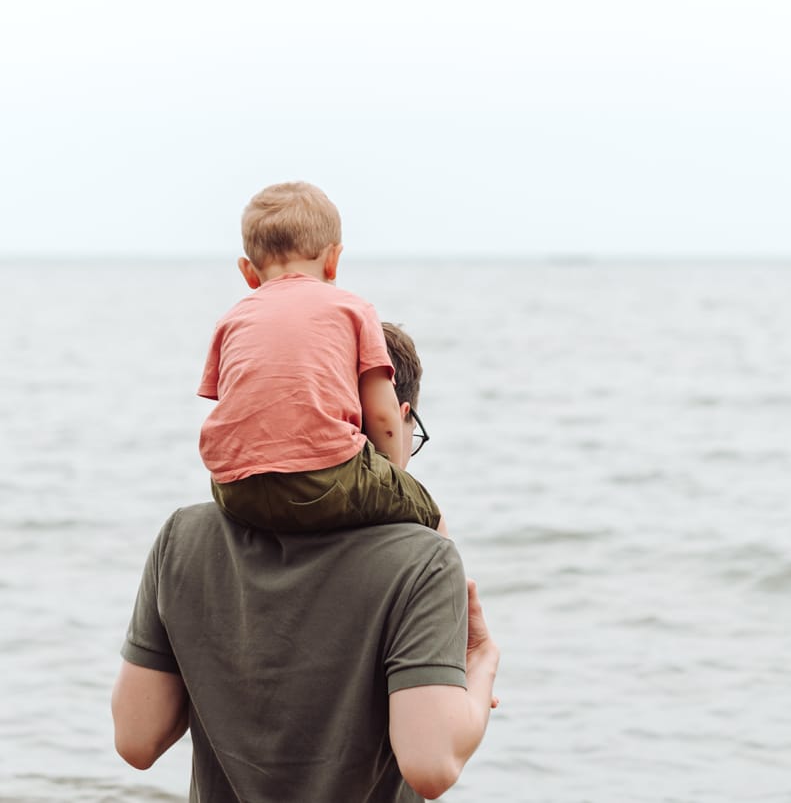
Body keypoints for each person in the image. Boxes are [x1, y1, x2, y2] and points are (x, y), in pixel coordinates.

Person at [111, 322, 500, 801]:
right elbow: (431, 764)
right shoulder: (423, 560)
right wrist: (480, 664)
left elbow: (137, 739)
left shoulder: (184, 536)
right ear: (397, 419)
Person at [198, 181, 442, 533]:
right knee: (427, 513)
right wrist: (390, 477)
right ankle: (464, 589)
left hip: (234, 487)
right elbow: (383, 414)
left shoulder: (231, 321)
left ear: (248, 272)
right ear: (333, 260)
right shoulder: (353, 310)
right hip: (323, 480)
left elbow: (240, 405)